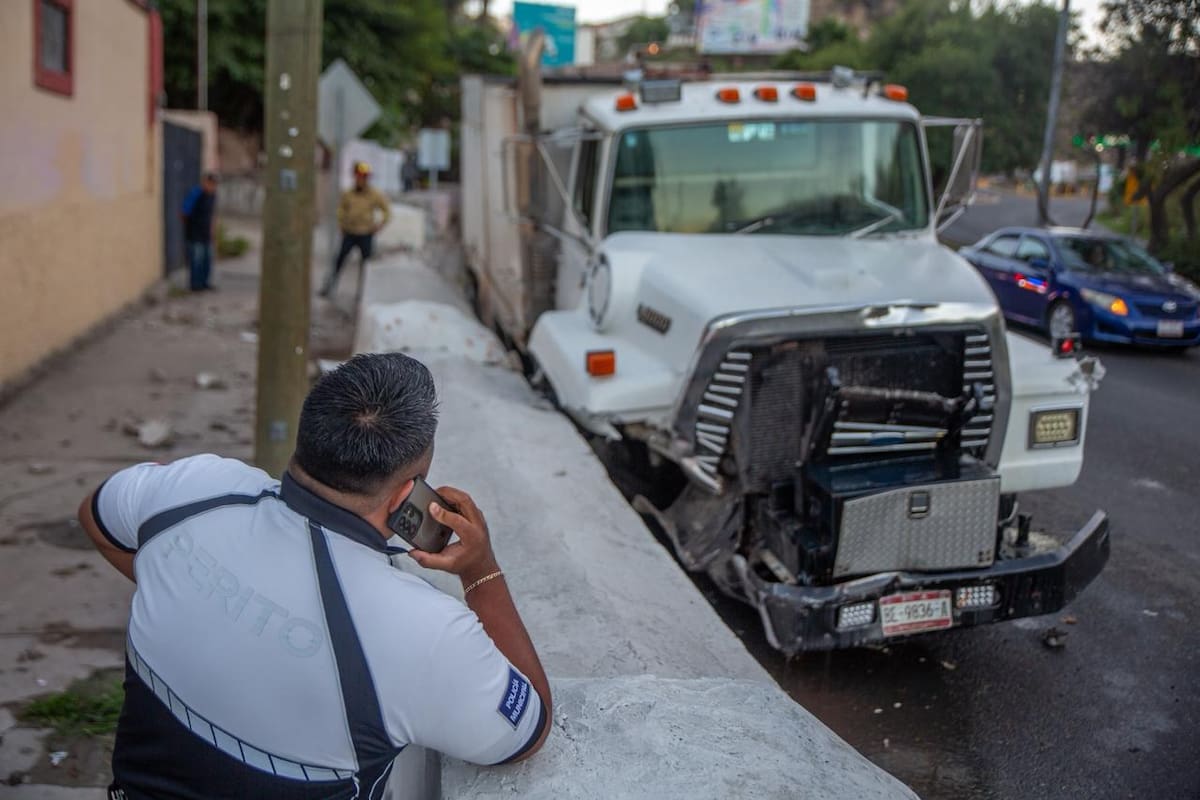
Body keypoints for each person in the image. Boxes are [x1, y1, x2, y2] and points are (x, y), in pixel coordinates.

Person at [78, 353, 552, 799]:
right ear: (404, 497)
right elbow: (528, 730)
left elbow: (95, 517)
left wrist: (180, 584)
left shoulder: (191, 491)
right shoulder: (425, 633)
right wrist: (481, 571)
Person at [321, 161, 391, 298]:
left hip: (366, 234)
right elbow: (341, 209)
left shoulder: (374, 194)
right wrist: (341, 224)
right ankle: (329, 287)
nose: (361, 179)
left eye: (364, 177)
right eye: (359, 176)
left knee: (366, 265)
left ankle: (365, 293)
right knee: (339, 260)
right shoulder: (348, 194)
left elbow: (386, 211)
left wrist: (379, 225)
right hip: (350, 233)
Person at [181, 173, 219, 291]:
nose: (212, 186)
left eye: (214, 184)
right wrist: (190, 227)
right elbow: (184, 212)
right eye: (210, 183)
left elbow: (212, 214)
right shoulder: (196, 193)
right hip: (195, 234)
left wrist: (213, 231)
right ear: (204, 182)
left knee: (207, 259)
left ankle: (204, 283)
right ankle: (195, 284)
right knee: (197, 259)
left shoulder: (212, 196)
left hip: (206, 234)